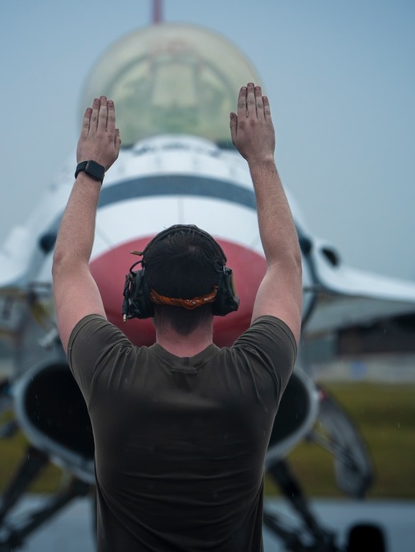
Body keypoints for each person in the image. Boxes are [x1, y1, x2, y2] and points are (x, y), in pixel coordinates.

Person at [52, 83, 302, 551]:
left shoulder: (109, 374)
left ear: (141, 295)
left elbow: (68, 265)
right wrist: (261, 159)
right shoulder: (259, 374)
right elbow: (286, 264)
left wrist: (90, 168)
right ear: (224, 295)